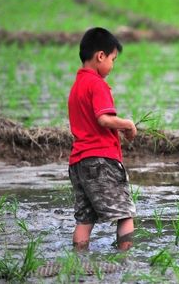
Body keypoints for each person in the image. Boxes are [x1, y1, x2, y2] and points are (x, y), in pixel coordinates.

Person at [67, 27, 137, 251]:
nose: (112, 65)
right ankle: (126, 261)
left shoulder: (76, 87)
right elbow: (104, 119)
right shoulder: (97, 84)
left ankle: (78, 260)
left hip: (78, 163)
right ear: (100, 56)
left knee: (84, 219)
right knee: (125, 214)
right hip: (101, 161)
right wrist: (127, 124)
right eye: (113, 59)